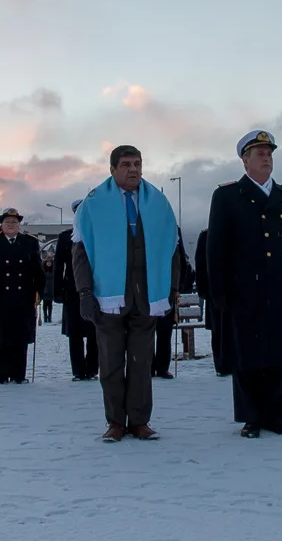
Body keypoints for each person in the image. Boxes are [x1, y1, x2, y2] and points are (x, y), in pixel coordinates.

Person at [72, 145, 182, 442]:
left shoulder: (158, 203)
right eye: (125, 164)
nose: (133, 169)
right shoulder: (93, 204)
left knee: (141, 361)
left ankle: (140, 421)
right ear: (112, 169)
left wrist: (172, 289)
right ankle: (115, 422)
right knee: (110, 364)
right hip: (107, 297)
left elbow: (172, 250)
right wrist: (84, 292)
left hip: (147, 296)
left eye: (137, 163)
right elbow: (81, 252)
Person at [206, 129, 282, 438]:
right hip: (244, 289)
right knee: (248, 352)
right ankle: (252, 417)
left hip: (279, 287)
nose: (266, 158)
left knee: (278, 351)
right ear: (245, 160)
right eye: (260, 153)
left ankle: (275, 416)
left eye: (269, 153)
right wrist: (219, 292)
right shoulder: (227, 196)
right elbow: (216, 248)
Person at [0, 207, 45, 385]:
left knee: (20, 337)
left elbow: (38, 270)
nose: (11, 225)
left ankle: (19, 374)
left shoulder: (29, 243)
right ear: (2, 224)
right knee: (0, 338)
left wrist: (38, 293)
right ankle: (1, 374)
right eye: (7, 222)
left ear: (19, 225)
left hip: (23, 298)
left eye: (14, 222)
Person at [54, 198, 99, 381]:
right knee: (75, 333)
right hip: (72, 291)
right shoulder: (66, 236)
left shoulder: (98, 233)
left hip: (96, 289)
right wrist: (57, 291)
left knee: (95, 331)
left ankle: (92, 368)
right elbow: (58, 266)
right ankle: (78, 371)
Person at [153, 227, 194, 379]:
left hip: (167, 287)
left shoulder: (172, 228)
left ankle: (160, 367)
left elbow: (180, 258)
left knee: (164, 330)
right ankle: (152, 367)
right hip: (148, 286)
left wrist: (179, 285)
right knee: (148, 329)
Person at [195, 227, 230, 376]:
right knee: (218, 330)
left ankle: (236, 362)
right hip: (215, 291)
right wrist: (204, 290)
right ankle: (221, 364)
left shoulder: (240, 230)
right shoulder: (206, 235)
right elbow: (200, 264)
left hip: (238, 289)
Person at [41, 255, 55, 323]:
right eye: (48, 262)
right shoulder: (43, 269)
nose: (49, 264)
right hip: (45, 288)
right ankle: (45, 317)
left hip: (51, 289)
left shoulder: (53, 269)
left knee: (50, 304)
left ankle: (49, 317)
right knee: (45, 304)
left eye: (50, 262)